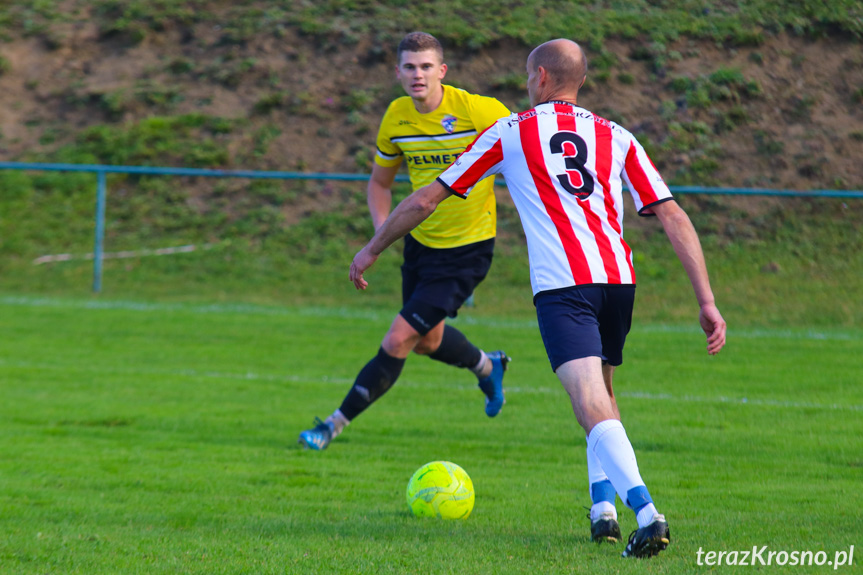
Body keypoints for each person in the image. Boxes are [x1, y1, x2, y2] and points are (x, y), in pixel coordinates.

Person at [348, 39, 726, 559]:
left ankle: (648, 514)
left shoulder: (510, 131)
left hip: (564, 285)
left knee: (589, 401)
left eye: (529, 76)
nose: (526, 84)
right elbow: (671, 214)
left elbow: (427, 197)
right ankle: (603, 509)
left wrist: (371, 248)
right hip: (617, 280)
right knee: (602, 397)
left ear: (542, 78)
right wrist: (706, 299)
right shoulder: (617, 136)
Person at [298, 32, 512, 451]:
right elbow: (379, 184)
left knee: (398, 339)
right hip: (419, 246)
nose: (418, 74)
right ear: (397, 72)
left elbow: (528, 147)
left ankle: (331, 425)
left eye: (426, 66)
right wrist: (386, 232)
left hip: (467, 251)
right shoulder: (396, 116)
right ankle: (489, 366)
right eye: (410, 66)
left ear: (442, 71)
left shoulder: (477, 110)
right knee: (427, 342)